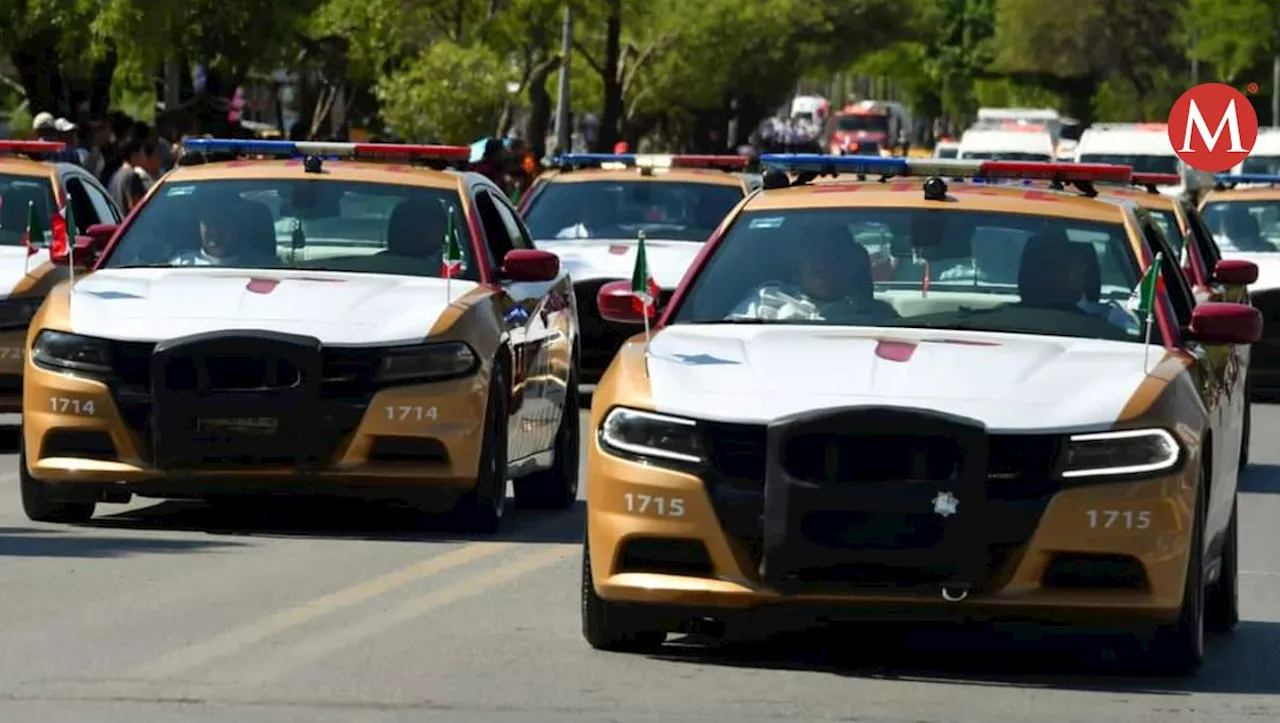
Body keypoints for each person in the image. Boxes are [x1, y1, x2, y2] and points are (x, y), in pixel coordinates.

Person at [730, 232, 900, 323]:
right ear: (798, 264)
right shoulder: (765, 300)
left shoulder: (878, 315)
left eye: (832, 256)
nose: (822, 265)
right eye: (813, 256)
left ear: (851, 266)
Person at [171, 200, 279, 267]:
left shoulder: (265, 267)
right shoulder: (179, 265)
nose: (214, 231)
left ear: (238, 226)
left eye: (221, 223)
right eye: (208, 223)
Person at [107, 138, 160, 212]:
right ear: (134, 155)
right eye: (142, 153)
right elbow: (135, 207)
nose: (144, 157)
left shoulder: (117, 175)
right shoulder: (131, 176)